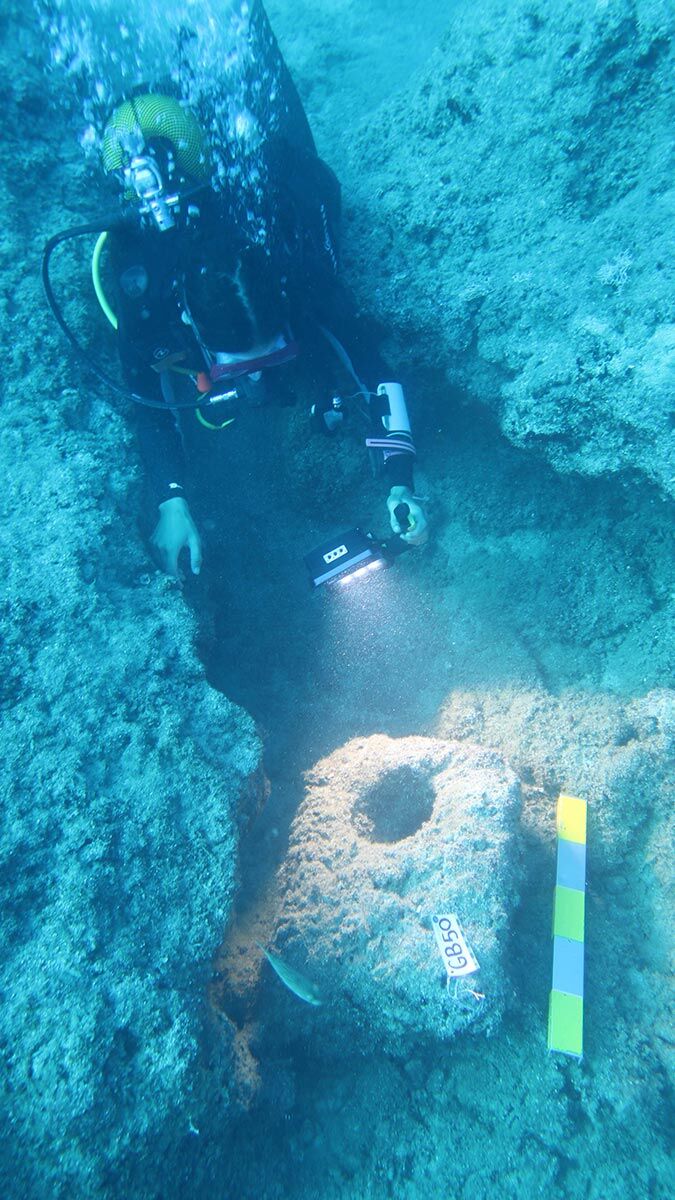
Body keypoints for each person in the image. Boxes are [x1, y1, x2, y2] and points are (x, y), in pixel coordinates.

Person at [98, 72, 428, 579]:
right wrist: (172, 498)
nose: (254, 376)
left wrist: (400, 482)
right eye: (240, 365)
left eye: (270, 355)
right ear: (189, 327)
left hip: (270, 200)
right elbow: (147, 400)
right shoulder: (146, 301)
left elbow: (368, 359)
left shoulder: (297, 267)